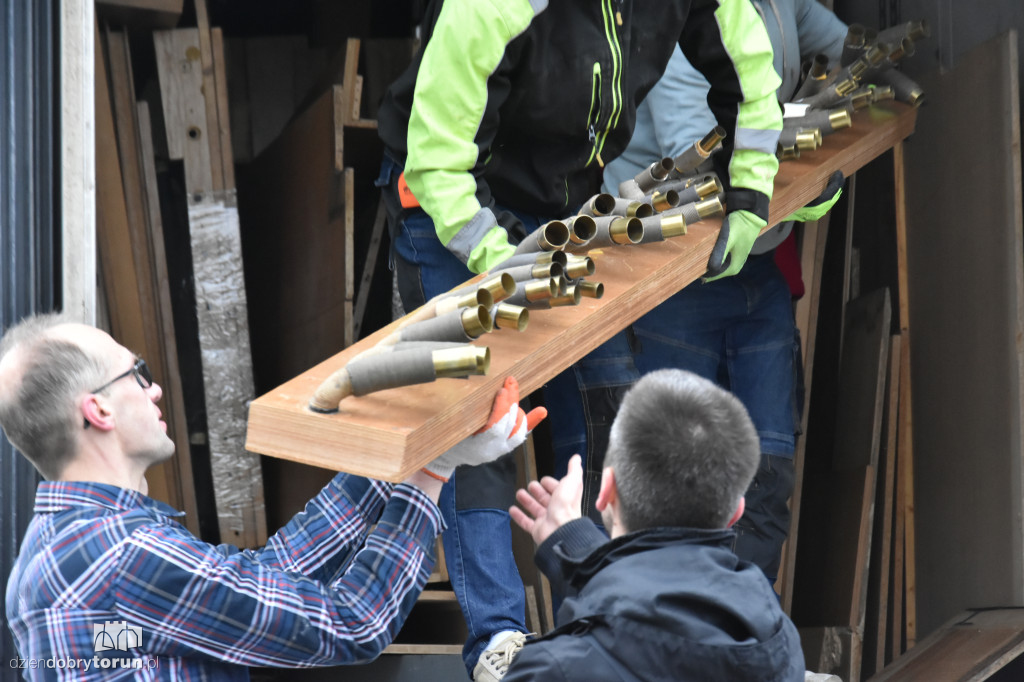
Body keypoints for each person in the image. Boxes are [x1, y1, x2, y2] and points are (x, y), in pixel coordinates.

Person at [375, 1, 783, 677]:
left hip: (565, 208)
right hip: (450, 197)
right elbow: (440, 156)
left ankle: (606, 623)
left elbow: (753, 74)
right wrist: (496, 258)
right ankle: (499, 643)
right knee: (485, 425)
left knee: (608, 407)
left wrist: (750, 192)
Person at [0, 313, 542, 681]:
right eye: (136, 375)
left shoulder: (56, 554)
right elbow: (352, 623)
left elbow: (269, 579)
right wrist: (432, 469)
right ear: (98, 411)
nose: (154, 387)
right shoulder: (125, 556)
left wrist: (402, 446)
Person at [600, 0, 849, 587]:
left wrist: (811, 124)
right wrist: (788, 194)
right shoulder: (686, 20)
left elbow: (844, 50)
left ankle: (734, 636)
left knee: (766, 482)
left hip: (754, 263)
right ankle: (670, 648)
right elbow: (705, 164)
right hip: (671, 265)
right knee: (670, 491)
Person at [504, 369, 805, 681]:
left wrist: (446, 469)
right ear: (736, 511)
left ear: (606, 491)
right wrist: (575, 549)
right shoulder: (783, 650)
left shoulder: (550, 670)